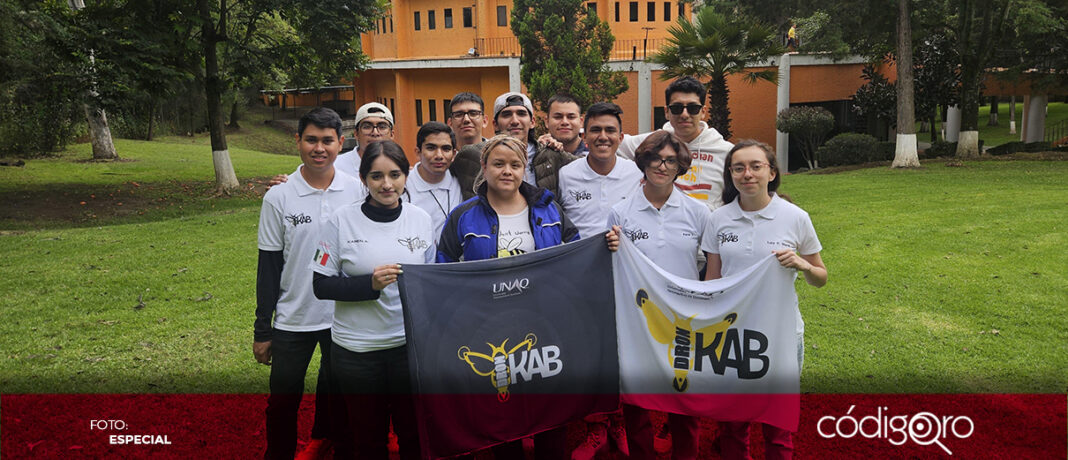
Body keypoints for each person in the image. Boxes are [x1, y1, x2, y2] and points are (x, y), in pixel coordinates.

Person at [437, 134, 619, 460]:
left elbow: (574, 251)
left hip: (544, 326)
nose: (507, 171)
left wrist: (604, 246)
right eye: (498, 164)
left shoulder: (548, 207)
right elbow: (443, 268)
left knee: (549, 409)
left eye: (515, 164)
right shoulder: (463, 215)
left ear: (524, 169)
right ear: (484, 167)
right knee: (503, 412)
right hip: (490, 330)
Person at [702, 140, 827, 460]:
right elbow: (712, 278)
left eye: (756, 166)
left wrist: (802, 264)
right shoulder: (718, 219)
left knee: (777, 426)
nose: (748, 174)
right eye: (739, 168)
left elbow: (820, 278)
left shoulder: (795, 217)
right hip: (732, 336)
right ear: (730, 175)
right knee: (733, 425)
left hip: (780, 335)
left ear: (772, 172)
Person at [311, 141, 436, 460]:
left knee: (414, 435)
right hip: (357, 353)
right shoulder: (341, 220)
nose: (387, 184)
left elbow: (431, 281)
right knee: (367, 440)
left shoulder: (421, 219)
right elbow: (321, 285)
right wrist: (369, 284)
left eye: (395, 174)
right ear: (364, 178)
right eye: (377, 176)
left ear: (406, 175)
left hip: (408, 351)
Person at [255, 108, 359, 459]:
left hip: (342, 318)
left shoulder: (357, 190)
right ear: (297, 141)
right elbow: (268, 266)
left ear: (340, 143)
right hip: (293, 318)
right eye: (311, 139)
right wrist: (262, 329)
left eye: (328, 140)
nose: (319, 148)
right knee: (283, 402)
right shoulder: (279, 196)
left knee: (343, 403)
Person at [608, 130, 713, 460]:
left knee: (684, 404)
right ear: (643, 161)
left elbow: (711, 267)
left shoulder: (699, 213)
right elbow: (613, 267)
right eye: (655, 158)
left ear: (680, 165)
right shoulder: (620, 212)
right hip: (638, 321)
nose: (662, 166)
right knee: (638, 404)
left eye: (670, 160)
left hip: (684, 321)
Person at [617, 76, 733, 213]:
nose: (684, 114)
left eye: (693, 108)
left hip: (707, 230)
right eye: (677, 108)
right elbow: (611, 142)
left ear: (703, 112)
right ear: (667, 112)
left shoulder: (725, 151)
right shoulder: (652, 142)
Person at [450, 92, 576, 200]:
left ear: (532, 122)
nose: (515, 121)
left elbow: (589, 166)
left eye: (521, 114)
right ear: (495, 124)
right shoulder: (471, 155)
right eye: (506, 115)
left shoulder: (551, 155)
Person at [558, 102, 642, 257]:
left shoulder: (637, 174)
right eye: (596, 130)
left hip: (626, 264)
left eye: (610, 130)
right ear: (584, 137)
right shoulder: (565, 175)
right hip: (579, 265)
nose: (603, 137)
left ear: (621, 137)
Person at [269, 102, 394, 190]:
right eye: (367, 126)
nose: (375, 133)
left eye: (382, 127)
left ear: (392, 134)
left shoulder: (400, 169)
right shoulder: (332, 164)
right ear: (356, 134)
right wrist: (282, 188)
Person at [406, 122, 463, 241]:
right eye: (431, 148)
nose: (439, 155)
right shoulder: (403, 186)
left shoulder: (461, 180)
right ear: (418, 152)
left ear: (453, 154)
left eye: (446, 149)